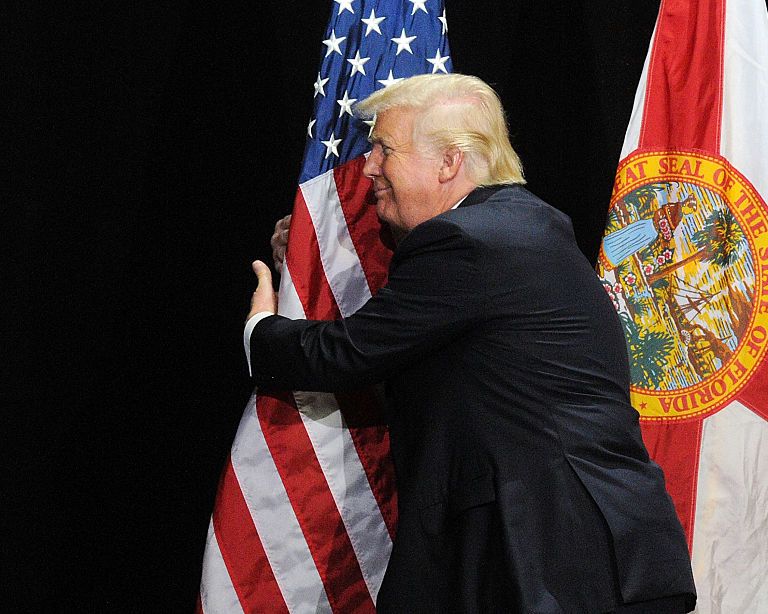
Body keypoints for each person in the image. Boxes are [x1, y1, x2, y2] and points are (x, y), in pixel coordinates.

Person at [246, 74, 696, 613]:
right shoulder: (522, 233)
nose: (367, 167)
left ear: (449, 163)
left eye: (384, 149)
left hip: (546, 565)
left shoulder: (468, 242)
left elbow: (345, 353)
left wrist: (261, 328)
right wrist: (302, 259)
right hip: (594, 558)